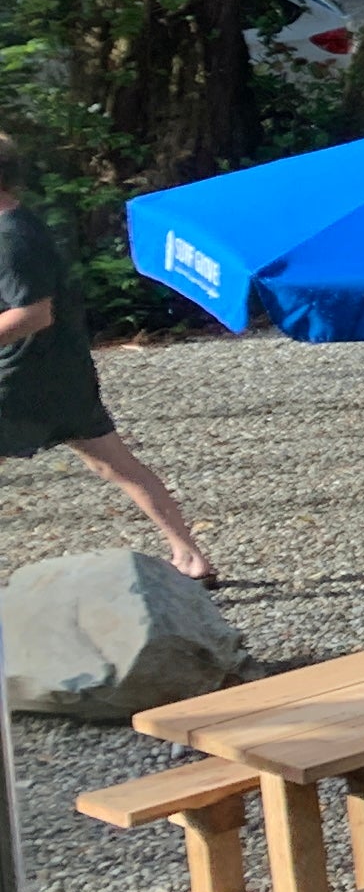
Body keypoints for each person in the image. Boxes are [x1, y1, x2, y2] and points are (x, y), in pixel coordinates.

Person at [0, 132, 214, 584]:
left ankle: (191, 556)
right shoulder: (18, 224)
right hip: (60, 373)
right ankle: (191, 557)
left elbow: (34, 314)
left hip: (20, 380)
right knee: (111, 463)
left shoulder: (12, 239)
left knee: (113, 462)